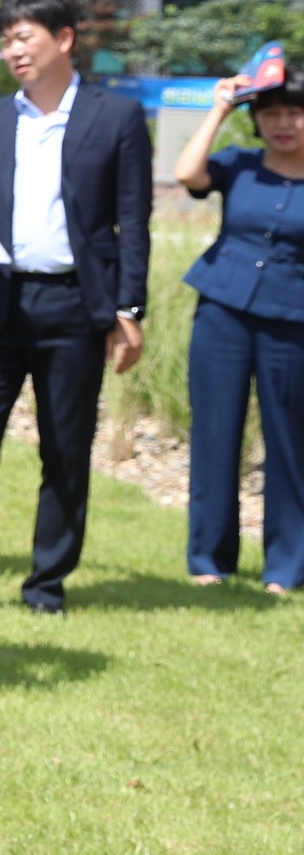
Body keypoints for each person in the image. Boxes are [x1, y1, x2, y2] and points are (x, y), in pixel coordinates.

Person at [0, 0, 152, 621]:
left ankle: (47, 583)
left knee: (64, 447)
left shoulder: (117, 118)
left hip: (74, 304)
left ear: (63, 38)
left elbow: (133, 220)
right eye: (5, 41)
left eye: (23, 36)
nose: (12, 51)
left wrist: (129, 309)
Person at [172, 68, 304, 594]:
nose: (283, 123)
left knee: (289, 443)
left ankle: (286, 567)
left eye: (295, 112)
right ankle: (209, 561)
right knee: (214, 434)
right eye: (271, 114)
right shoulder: (240, 164)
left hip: (292, 321)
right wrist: (220, 109)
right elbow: (188, 173)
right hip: (222, 312)